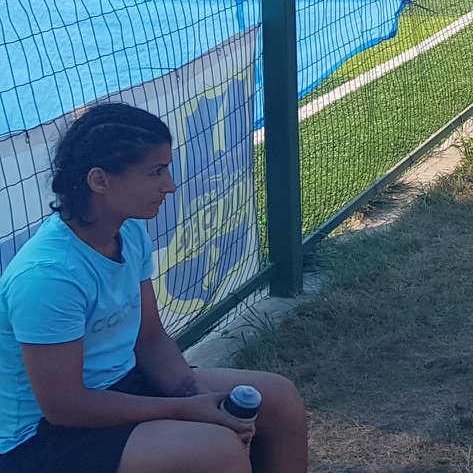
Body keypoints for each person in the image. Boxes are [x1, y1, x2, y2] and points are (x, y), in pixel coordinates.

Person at [0, 103, 309, 473]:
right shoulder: (49, 276)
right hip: (41, 438)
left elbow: (150, 339)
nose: (170, 185)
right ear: (99, 181)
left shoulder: (128, 232)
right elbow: (65, 407)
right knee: (218, 451)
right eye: (156, 172)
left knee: (278, 399)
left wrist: (199, 398)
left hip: (121, 386)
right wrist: (186, 409)